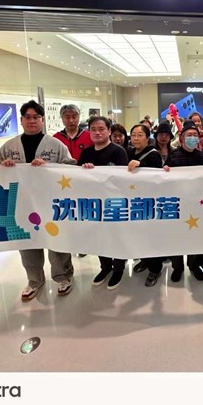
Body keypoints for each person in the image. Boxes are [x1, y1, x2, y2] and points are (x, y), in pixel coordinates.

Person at [0, 100, 76, 301]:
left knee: (57, 241)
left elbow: (71, 169)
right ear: (21, 120)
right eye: (28, 117)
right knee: (27, 243)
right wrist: (2, 166)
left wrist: (50, 167)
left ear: (42, 120)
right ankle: (34, 280)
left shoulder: (56, 145)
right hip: (21, 204)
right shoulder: (9, 147)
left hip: (51, 203)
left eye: (36, 117)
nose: (32, 121)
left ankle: (64, 276)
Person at [78, 116, 130, 290]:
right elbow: (77, 177)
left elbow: (122, 179)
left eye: (101, 129)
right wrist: (85, 172)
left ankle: (118, 269)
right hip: (94, 203)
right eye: (93, 129)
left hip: (114, 202)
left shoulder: (118, 152)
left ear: (109, 131)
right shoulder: (86, 153)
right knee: (99, 236)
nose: (97, 132)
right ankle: (105, 267)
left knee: (117, 237)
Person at [159, 120, 203, 284]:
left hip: (196, 203)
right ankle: (177, 267)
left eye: (195, 135)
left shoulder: (201, 156)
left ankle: (194, 266)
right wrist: (165, 171)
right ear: (181, 138)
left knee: (195, 237)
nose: (192, 138)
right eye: (189, 135)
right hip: (177, 203)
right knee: (177, 237)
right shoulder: (173, 155)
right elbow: (164, 179)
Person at [127, 124, 169, 287]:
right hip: (134, 202)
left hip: (150, 204)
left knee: (151, 237)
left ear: (147, 138)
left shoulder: (153, 154)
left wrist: (140, 166)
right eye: (133, 135)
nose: (136, 138)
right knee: (138, 236)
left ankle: (155, 268)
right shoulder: (130, 152)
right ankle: (145, 260)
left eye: (140, 135)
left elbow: (155, 177)